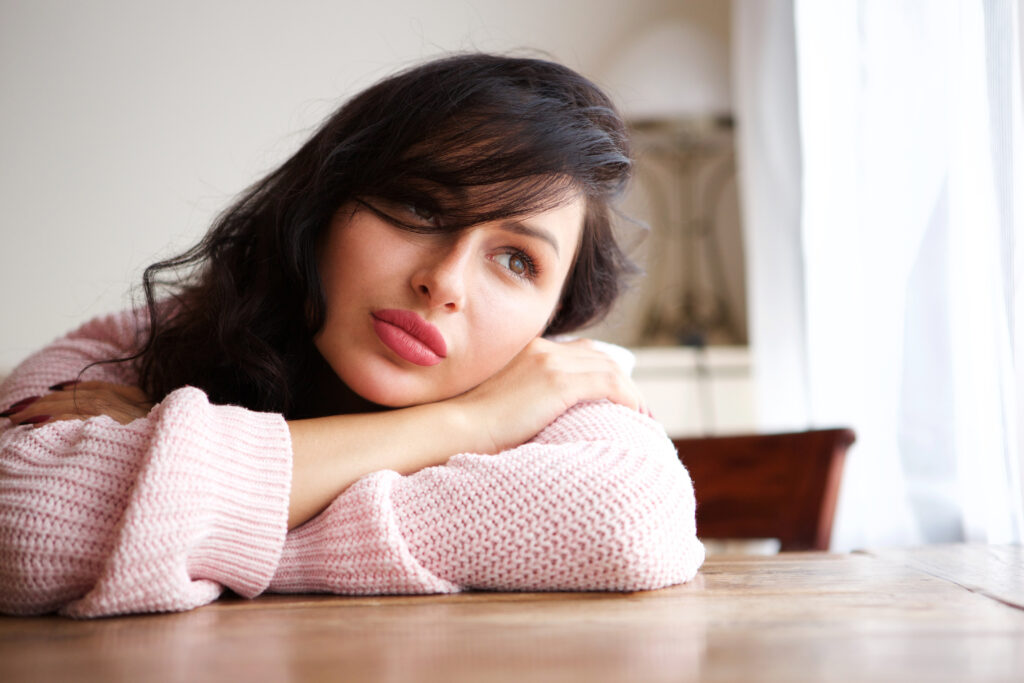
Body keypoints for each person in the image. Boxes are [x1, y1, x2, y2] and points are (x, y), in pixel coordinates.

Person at [0, 53, 704, 618]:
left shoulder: (553, 386)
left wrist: (172, 484)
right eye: (417, 205)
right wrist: (468, 422)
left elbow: (627, 522)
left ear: (550, 318)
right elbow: (21, 526)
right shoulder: (138, 343)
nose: (447, 281)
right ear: (324, 204)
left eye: (516, 259)